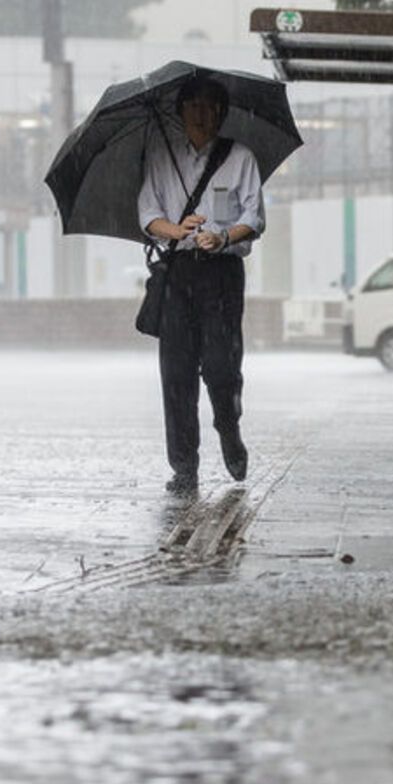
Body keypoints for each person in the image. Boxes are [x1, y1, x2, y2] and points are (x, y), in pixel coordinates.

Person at [137, 75, 266, 495]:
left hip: (222, 275)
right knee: (175, 373)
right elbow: (148, 214)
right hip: (177, 274)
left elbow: (255, 217)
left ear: (221, 112)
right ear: (180, 111)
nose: (201, 113)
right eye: (193, 105)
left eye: (211, 106)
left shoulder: (240, 157)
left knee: (221, 366)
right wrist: (178, 230)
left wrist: (224, 237)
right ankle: (184, 465)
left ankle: (229, 428)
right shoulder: (160, 155)